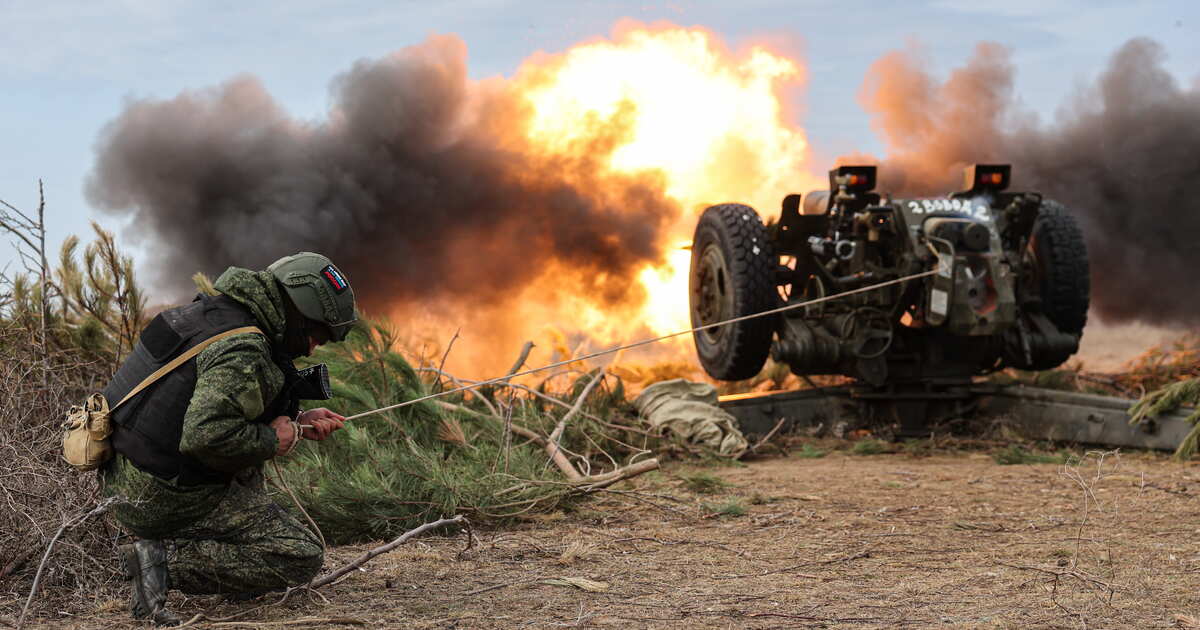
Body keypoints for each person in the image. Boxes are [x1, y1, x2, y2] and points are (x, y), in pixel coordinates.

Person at [100, 252, 357, 625]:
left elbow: (193, 408)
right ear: (299, 313)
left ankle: (205, 564)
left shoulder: (213, 316)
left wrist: (298, 420)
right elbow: (205, 435)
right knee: (300, 553)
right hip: (160, 495)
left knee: (248, 471)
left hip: (125, 479)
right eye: (316, 335)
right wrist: (272, 441)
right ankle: (159, 563)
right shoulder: (242, 347)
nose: (314, 348)